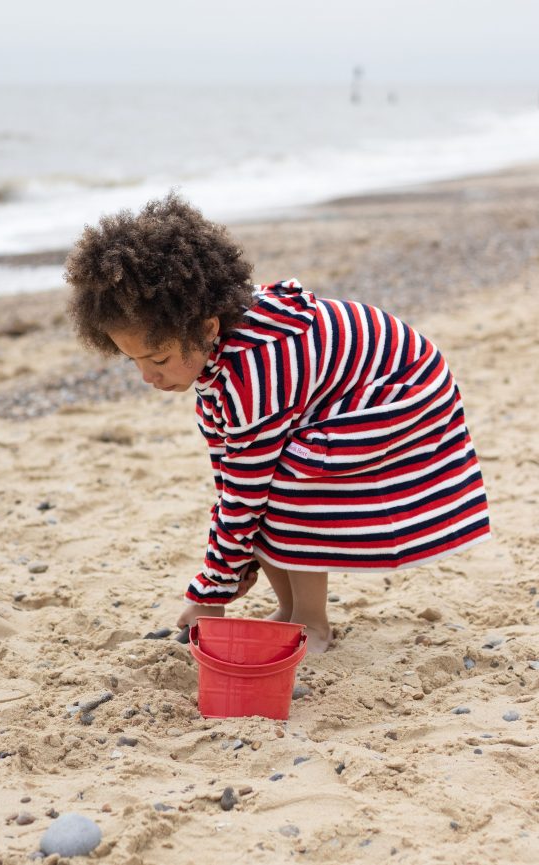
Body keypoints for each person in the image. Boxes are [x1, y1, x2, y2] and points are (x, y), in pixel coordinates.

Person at [65, 191, 491, 653]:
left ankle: (313, 622)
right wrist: (235, 569)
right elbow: (230, 477)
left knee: (288, 481)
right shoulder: (216, 366)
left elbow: (249, 491)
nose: (148, 376)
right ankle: (290, 612)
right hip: (342, 397)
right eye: (134, 362)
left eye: (159, 358)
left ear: (207, 328)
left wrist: (210, 591)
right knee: (262, 485)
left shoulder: (255, 368)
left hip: (403, 393)